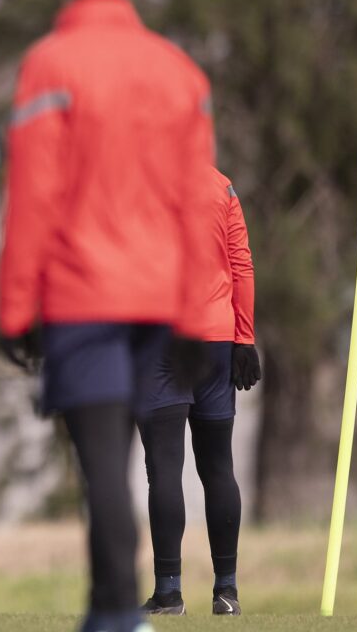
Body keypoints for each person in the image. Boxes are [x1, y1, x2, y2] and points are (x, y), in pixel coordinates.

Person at [0, 0, 217, 632]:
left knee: (104, 470)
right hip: (163, 300)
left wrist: (13, 309)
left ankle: (124, 615)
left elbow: (32, 199)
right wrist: (196, 314)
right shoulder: (182, 73)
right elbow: (198, 205)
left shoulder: (49, 65)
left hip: (84, 298)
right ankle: (107, 613)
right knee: (143, 470)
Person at [137, 167, 260, 617]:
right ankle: (226, 593)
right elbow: (241, 263)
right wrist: (245, 338)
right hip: (216, 341)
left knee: (165, 469)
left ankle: (169, 593)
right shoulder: (221, 184)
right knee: (218, 466)